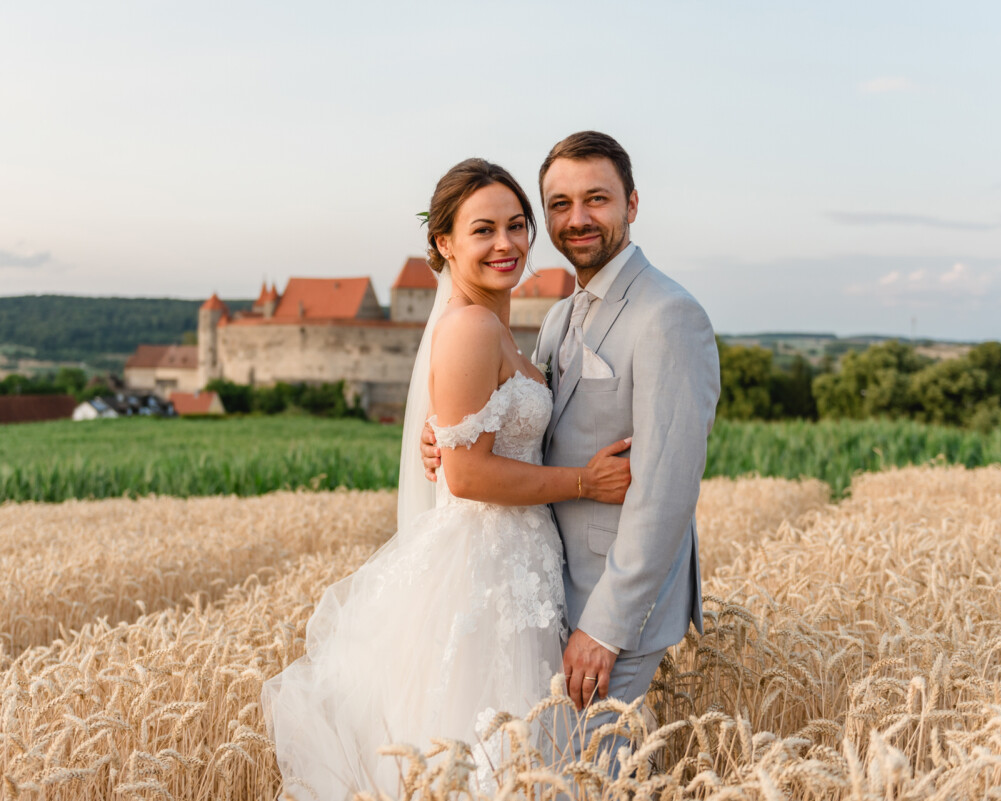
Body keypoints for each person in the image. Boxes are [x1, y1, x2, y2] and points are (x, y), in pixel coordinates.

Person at [261, 157, 633, 800]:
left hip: (520, 565)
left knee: (510, 752)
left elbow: (470, 439)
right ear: (444, 244)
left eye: (517, 226)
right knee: (485, 751)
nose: (506, 244)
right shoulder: (468, 326)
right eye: (483, 230)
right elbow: (465, 474)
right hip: (484, 571)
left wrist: (445, 435)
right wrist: (584, 483)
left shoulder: (502, 327)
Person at [422, 131, 721, 769]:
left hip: (611, 606)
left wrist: (605, 628)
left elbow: (666, 492)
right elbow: (529, 423)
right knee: (540, 773)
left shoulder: (669, 315)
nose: (576, 219)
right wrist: (445, 437)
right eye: (558, 204)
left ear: (632, 204)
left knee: (583, 779)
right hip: (540, 589)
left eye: (596, 200)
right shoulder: (559, 318)